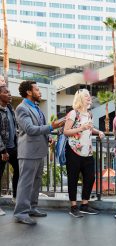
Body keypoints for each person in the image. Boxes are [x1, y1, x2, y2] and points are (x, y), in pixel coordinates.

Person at [14, 81, 65, 225]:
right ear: (29, 92)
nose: (40, 92)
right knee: (26, 183)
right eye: (37, 90)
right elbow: (30, 129)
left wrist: (49, 137)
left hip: (38, 151)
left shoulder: (36, 107)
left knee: (36, 182)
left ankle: (32, 207)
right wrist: (50, 127)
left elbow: (38, 127)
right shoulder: (21, 108)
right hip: (28, 152)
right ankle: (21, 213)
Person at [63, 89, 104, 218]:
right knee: (73, 178)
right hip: (73, 150)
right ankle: (73, 206)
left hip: (87, 151)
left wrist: (99, 132)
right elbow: (66, 131)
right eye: (86, 96)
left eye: (89, 96)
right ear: (80, 98)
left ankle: (85, 205)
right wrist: (81, 128)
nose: (89, 97)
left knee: (90, 177)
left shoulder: (89, 114)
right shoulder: (73, 113)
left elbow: (89, 128)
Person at [0, 83, 19, 216]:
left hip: (13, 147)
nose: (9, 94)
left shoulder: (10, 108)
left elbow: (14, 127)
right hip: (2, 150)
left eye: (9, 92)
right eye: (6, 92)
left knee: (19, 170)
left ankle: (16, 197)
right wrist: (3, 151)